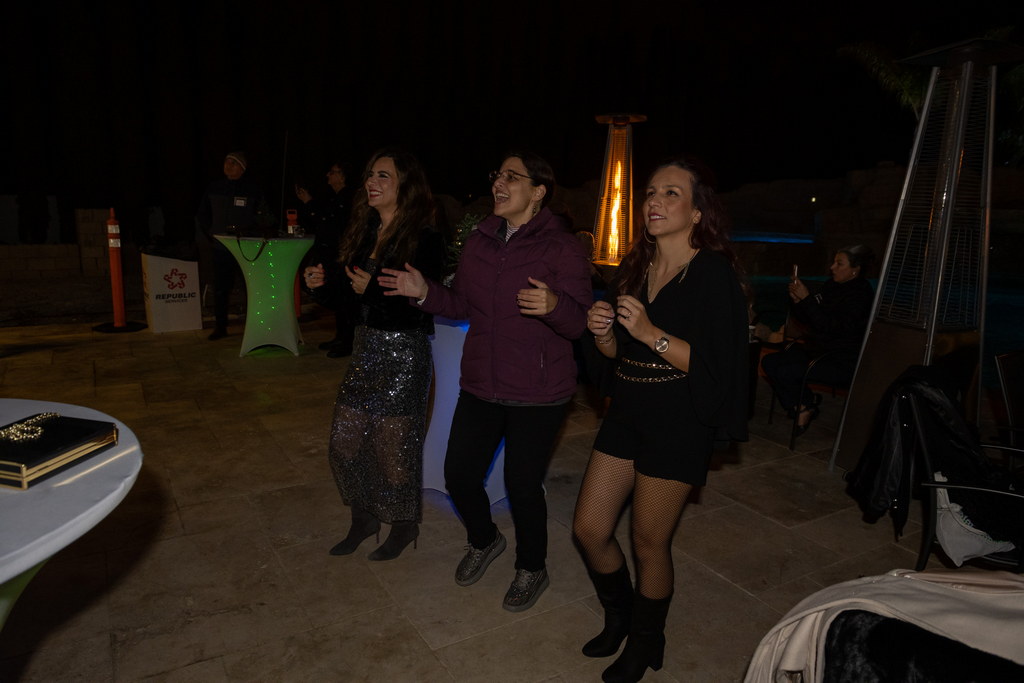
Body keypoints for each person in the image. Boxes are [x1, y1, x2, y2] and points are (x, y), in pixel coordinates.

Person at [379, 151, 592, 612]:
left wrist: (555, 305)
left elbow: (580, 324)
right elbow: (462, 305)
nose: (499, 183)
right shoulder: (481, 240)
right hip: (482, 383)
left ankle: (532, 567)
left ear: (538, 192)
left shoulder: (562, 248)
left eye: (512, 177)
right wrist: (425, 293)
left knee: (521, 485)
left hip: (538, 392)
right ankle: (484, 538)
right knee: (459, 475)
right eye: (498, 174)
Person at [573, 156, 748, 682]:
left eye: (671, 193)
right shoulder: (635, 267)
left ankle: (646, 640)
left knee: (649, 542)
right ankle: (621, 616)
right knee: (589, 528)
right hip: (627, 411)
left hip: (679, 421)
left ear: (697, 212)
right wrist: (604, 332)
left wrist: (651, 333)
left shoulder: (713, 273)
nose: (654, 201)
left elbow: (718, 368)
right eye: (651, 192)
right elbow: (613, 356)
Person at [303, 148, 444, 561]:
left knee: (394, 449)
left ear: (405, 185)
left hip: (405, 353)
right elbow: (349, 299)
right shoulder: (364, 232)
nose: (372, 182)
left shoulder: (425, 239)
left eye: (383, 176)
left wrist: (374, 294)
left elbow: (424, 305)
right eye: (370, 175)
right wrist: (320, 287)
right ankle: (363, 518)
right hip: (366, 350)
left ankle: (403, 524)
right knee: (344, 442)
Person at [761, 245, 875, 435]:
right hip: (817, 350)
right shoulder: (832, 285)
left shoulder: (860, 295)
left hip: (840, 359)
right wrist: (798, 301)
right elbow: (811, 318)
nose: (832, 267)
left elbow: (831, 327)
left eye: (839, 264)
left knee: (787, 370)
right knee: (770, 361)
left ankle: (803, 408)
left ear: (855, 269)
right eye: (834, 262)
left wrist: (806, 299)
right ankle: (805, 404)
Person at [196, 151, 271, 340]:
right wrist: (211, 233)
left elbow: (264, 216)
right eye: (226, 161)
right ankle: (220, 327)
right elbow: (203, 214)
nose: (228, 165)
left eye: (233, 163)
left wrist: (251, 232)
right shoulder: (214, 187)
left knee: (250, 287)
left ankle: (255, 325)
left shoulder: (252, 189)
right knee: (221, 288)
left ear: (242, 168)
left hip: (245, 247)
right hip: (221, 247)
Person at [296, 160, 356, 357]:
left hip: (342, 257)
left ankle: (347, 342)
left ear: (343, 176)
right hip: (332, 256)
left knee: (345, 299)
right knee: (339, 299)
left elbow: (332, 225)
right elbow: (322, 222)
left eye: (333, 172)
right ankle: (340, 337)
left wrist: (309, 203)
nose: (328, 175)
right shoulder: (334, 198)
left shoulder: (349, 199)